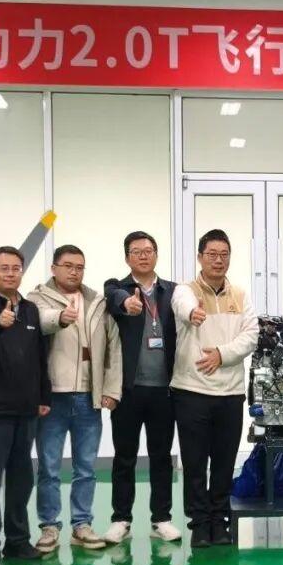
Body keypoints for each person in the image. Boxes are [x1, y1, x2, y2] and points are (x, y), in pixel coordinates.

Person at [29, 245, 123, 554]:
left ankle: (82, 525)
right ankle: (49, 526)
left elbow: (113, 347)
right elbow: (40, 322)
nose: (74, 271)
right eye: (68, 265)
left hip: (87, 396)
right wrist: (60, 317)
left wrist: (111, 389)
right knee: (49, 467)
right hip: (51, 398)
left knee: (86, 467)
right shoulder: (37, 299)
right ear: (54, 268)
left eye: (79, 267)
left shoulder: (97, 302)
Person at [171, 229, 259, 549]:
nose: (218, 260)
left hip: (230, 392)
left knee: (224, 462)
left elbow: (251, 335)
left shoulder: (240, 295)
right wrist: (192, 312)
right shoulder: (186, 291)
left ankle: (220, 521)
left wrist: (222, 354)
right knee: (195, 463)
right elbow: (182, 305)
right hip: (191, 390)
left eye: (224, 254)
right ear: (200, 257)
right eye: (212, 254)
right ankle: (199, 524)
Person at [0, 246, 51, 565]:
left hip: (26, 408)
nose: (11, 273)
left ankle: (18, 540)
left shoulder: (29, 309)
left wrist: (43, 396)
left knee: (21, 477)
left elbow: (40, 356)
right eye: (4, 268)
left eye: (16, 268)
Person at [103, 232, 180, 545]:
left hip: (165, 389)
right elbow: (113, 296)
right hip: (129, 389)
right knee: (124, 457)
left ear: (156, 255)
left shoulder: (172, 292)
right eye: (136, 251)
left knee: (161, 457)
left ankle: (161, 519)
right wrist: (127, 302)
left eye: (148, 250)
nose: (143, 256)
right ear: (127, 258)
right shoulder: (118, 288)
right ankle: (121, 519)